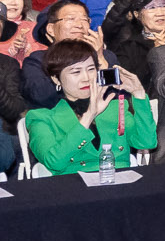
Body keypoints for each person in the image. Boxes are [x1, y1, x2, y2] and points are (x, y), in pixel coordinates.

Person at [26, 41, 157, 173]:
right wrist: (89, 116)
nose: (86, 78)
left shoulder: (115, 107)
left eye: (91, 69)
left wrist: (138, 94)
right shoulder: (41, 118)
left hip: (120, 185)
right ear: (56, 79)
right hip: (74, 188)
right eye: (76, 72)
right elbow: (54, 162)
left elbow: (146, 143)